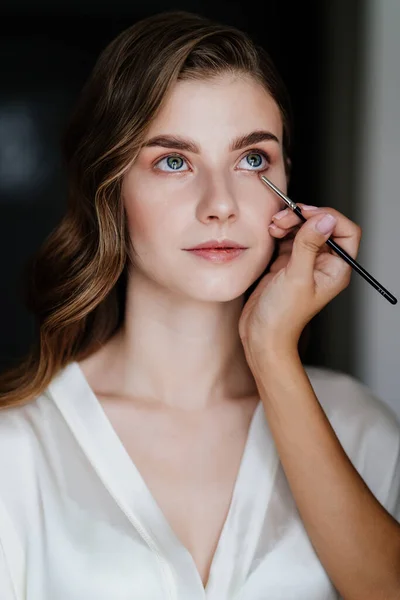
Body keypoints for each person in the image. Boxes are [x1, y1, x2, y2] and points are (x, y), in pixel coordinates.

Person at [0, 9, 399, 600]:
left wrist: (270, 350)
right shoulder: (19, 450)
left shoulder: (360, 429)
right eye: (173, 161)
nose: (221, 204)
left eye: (253, 160)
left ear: (288, 185)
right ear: (108, 190)